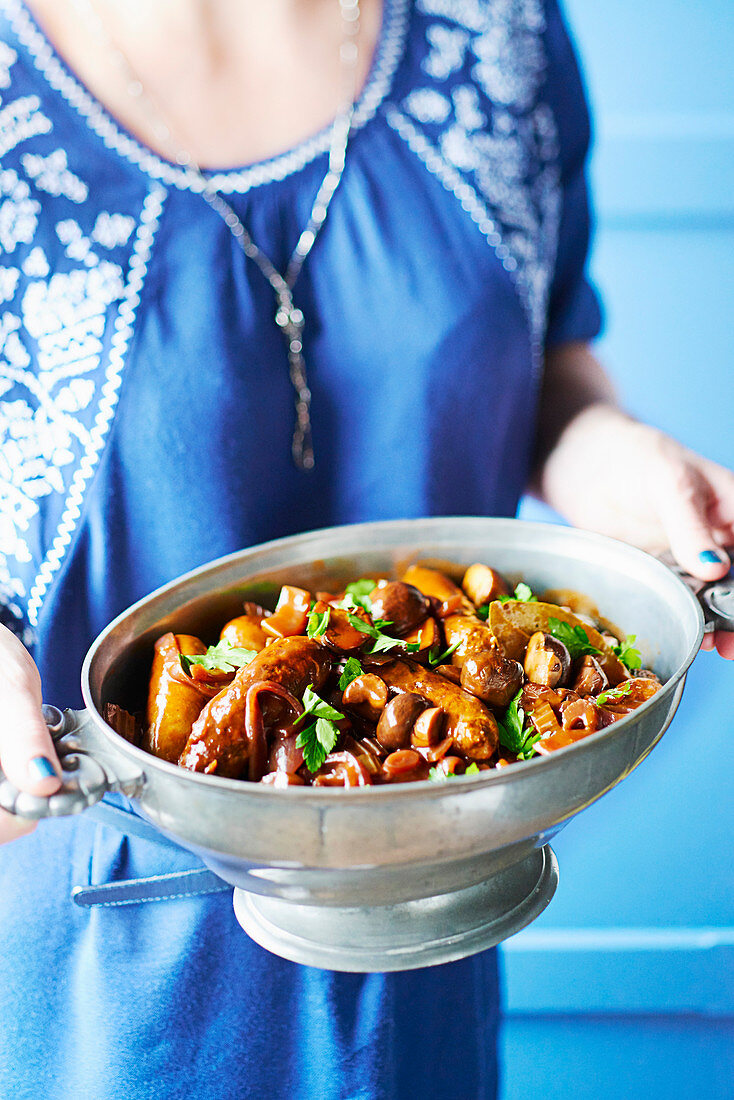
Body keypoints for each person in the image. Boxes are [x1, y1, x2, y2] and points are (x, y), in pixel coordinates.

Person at [1, 0, 732, 1097]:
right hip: (110, 953)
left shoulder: (502, 31)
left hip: (440, 901)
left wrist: (630, 464)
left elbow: (544, 371)